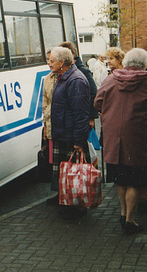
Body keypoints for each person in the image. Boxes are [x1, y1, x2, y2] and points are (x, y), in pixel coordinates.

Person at [94, 48, 147, 235]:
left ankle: (122, 212)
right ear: (143, 64)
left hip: (113, 137)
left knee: (120, 177)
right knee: (135, 179)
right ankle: (130, 220)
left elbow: (97, 103)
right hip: (137, 137)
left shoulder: (111, 79)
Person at [48, 46, 91, 219]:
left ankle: (76, 209)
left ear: (62, 62)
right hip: (63, 134)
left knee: (75, 175)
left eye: (52, 60)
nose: (49, 63)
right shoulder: (63, 77)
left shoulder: (76, 80)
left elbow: (81, 114)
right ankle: (68, 206)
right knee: (66, 175)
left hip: (70, 136)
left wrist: (79, 141)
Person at [43, 48, 59, 204]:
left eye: (51, 60)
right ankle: (59, 193)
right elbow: (44, 102)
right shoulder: (47, 79)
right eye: (47, 60)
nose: (48, 63)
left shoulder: (65, 78)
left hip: (62, 127)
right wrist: (45, 126)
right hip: (51, 125)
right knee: (55, 162)